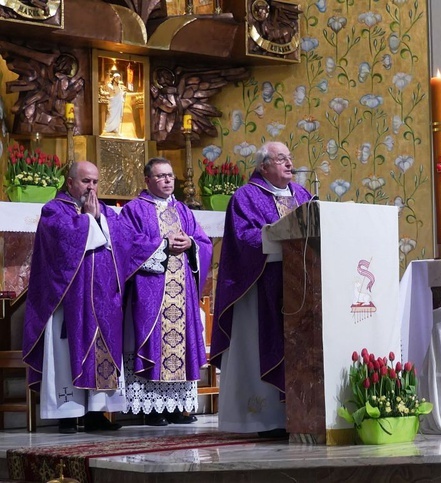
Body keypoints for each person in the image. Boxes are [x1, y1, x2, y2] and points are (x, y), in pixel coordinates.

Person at [22, 161, 158, 433]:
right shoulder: (53, 211)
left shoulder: (106, 211)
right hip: (68, 302)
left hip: (104, 302)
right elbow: (63, 241)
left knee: (102, 354)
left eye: (95, 182)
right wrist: (89, 219)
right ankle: (68, 415)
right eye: (86, 181)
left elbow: (126, 239)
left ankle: (97, 414)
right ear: (70, 182)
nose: (92, 187)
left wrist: (161, 244)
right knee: (65, 354)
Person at [210, 141, 312, 436]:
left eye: (290, 158)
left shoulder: (303, 195)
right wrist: (278, 236)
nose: (289, 164)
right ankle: (266, 420)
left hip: (302, 285)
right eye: (281, 159)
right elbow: (243, 239)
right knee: (262, 347)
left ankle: (302, 413)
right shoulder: (246, 197)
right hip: (261, 288)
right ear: (263, 166)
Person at [120, 157, 212, 426]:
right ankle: (151, 410)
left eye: (171, 175)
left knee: (179, 346)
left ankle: (175, 407)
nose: (168, 180)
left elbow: (204, 242)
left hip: (182, 292)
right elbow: (127, 244)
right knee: (152, 344)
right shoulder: (134, 210)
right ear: (147, 180)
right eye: (160, 176)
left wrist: (192, 244)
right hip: (150, 289)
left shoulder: (183, 210)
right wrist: (162, 245)